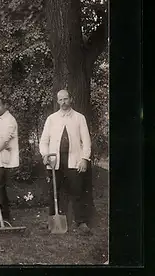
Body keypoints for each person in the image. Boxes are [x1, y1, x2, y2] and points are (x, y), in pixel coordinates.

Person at [39, 89, 92, 235]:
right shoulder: (51, 119)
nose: (63, 102)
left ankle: (81, 222)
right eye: (60, 100)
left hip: (74, 160)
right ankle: (52, 219)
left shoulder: (79, 118)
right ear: (57, 101)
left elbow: (86, 141)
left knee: (77, 191)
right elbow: (44, 141)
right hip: (54, 161)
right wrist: (45, 155)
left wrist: (84, 159)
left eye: (66, 99)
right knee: (53, 191)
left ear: (71, 99)